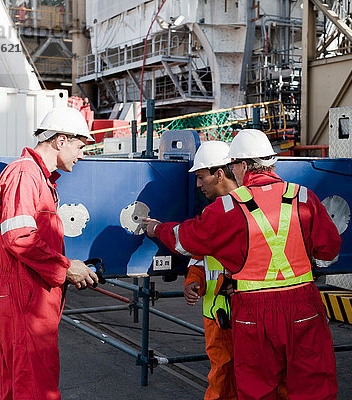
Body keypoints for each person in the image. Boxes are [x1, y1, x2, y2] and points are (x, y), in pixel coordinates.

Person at [144, 129, 341, 399]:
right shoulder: (303, 197)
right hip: (303, 303)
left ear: (243, 166)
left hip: (253, 310)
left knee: (257, 389)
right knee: (314, 386)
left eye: (234, 163)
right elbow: (328, 253)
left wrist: (157, 229)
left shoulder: (227, 208)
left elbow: (185, 241)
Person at [0, 107, 99, 400]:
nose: (83, 154)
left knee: (18, 386)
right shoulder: (26, 174)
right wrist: (66, 267)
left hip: (25, 297)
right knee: (36, 389)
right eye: (81, 146)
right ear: (61, 140)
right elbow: (19, 237)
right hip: (25, 298)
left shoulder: (38, 178)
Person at [185, 141, 238, 400]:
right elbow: (199, 258)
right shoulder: (211, 212)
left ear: (219, 173)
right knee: (221, 378)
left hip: (243, 311)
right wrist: (193, 282)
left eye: (200, 176)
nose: (198, 184)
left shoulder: (244, 209)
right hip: (216, 315)